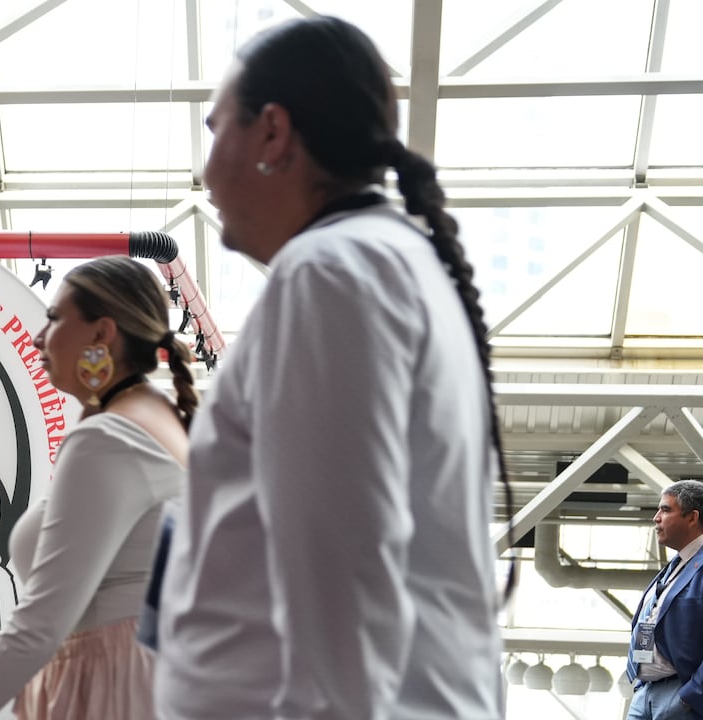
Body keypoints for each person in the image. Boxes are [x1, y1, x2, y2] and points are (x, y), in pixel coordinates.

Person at [155, 16, 506, 720]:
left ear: (273, 134)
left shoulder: (331, 275)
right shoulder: (386, 263)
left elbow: (344, 572)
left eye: (215, 127)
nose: (204, 168)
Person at [0, 256, 195, 720]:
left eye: (53, 319)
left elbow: (39, 626)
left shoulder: (106, 440)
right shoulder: (162, 417)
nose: (36, 337)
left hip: (114, 689)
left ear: (101, 333)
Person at [626, 480, 703, 719]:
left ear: (692, 517)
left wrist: (689, 698)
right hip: (646, 693)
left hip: (682, 698)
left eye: (665, 509)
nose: (656, 518)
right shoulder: (675, 566)